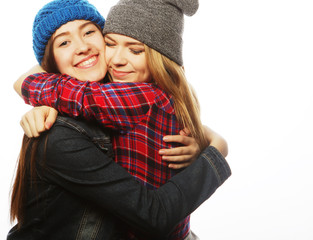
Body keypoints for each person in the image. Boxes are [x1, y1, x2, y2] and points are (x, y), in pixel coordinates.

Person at [12, 0, 230, 239]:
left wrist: (213, 144)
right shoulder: (61, 133)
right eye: (64, 42)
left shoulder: (134, 97)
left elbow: (82, 97)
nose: (116, 59)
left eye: (89, 32)